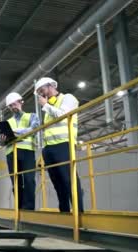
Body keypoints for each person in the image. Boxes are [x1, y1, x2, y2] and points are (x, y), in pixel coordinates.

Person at [35, 77, 84, 213]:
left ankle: (79, 213)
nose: (42, 94)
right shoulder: (49, 106)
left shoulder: (68, 98)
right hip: (49, 149)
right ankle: (64, 212)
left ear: (51, 86)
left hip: (64, 145)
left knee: (69, 180)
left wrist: (45, 105)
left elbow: (63, 115)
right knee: (58, 184)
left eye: (42, 90)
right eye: (39, 93)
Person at [0, 92, 39, 210]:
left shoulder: (32, 116)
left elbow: (34, 128)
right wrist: (2, 140)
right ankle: (20, 208)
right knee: (15, 182)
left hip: (27, 152)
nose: (13, 107)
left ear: (21, 102)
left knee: (29, 180)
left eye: (14, 104)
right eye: (10, 106)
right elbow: (3, 143)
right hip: (11, 153)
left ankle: (29, 208)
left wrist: (16, 132)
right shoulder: (7, 123)